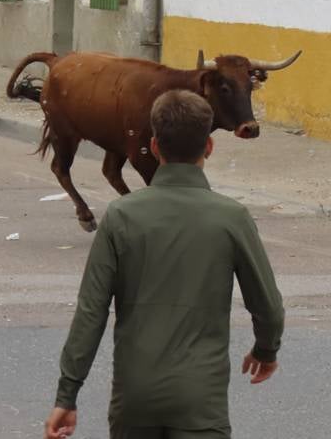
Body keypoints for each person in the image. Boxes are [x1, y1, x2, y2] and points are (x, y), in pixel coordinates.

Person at [44, 90, 285, 439]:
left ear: (154, 147)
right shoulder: (232, 218)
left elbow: (90, 313)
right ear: (209, 147)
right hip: (201, 399)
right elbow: (268, 306)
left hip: (135, 397)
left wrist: (67, 394)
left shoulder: (121, 216)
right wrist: (266, 349)